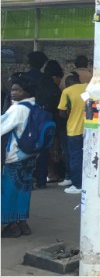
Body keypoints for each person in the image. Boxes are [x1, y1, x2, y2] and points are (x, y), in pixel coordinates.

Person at [1, 75, 39, 238]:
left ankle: (11, 225)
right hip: (29, 155)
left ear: (26, 92)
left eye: (17, 89)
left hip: (14, 155)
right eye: (13, 89)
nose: (13, 92)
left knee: (9, 190)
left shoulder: (17, 109)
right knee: (24, 189)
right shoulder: (35, 106)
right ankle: (22, 223)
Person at [36, 60, 64, 187]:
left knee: (44, 148)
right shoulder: (55, 86)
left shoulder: (40, 83)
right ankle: (55, 173)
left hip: (41, 119)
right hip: (54, 119)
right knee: (54, 147)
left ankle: (48, 174)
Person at [57, 74, 87, 195]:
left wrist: (69, 111)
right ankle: (81, 181)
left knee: (74, 157)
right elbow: (87, 103)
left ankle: (77, 184)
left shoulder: (67, 92)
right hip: (89, 129)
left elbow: (62, 113)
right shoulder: (87, 88)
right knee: (86, 157)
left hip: (74, 129)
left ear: (67, 84)